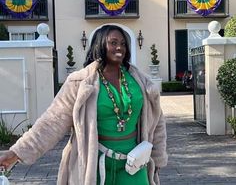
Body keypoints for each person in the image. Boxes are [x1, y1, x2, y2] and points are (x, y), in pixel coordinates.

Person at [0, 24, 168, 185]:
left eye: (123, 43)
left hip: (133, 164)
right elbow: (51, 122)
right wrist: (16, 153)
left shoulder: (140, 81)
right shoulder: (80, 83)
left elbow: (157, 120)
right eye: (113, 42)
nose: (120, 47)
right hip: (93, 163)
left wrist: (158, 157)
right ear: (100, 44)